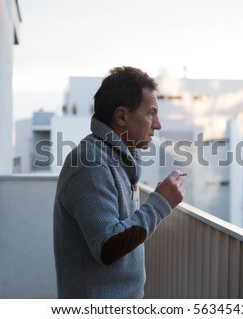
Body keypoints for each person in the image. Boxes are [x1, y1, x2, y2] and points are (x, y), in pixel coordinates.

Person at [53, 66, 185, 299]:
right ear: (122, 116)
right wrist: (161, 202)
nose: (158, 124)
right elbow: (108, 245)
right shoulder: (90, 163)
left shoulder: (115, 158)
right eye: (151, 112)